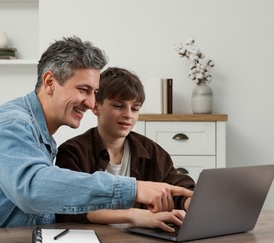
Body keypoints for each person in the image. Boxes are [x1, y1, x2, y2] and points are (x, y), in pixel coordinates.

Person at [0, 37, 192, 233]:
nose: (91, 103)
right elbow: (33, 187)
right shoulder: (11, 125)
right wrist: (133, 190)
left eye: (94, 93)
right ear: (49, 82)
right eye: (83, 90)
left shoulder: (41, 134)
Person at [55, 67, 195, 232]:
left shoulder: (150, 150)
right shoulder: (73, 151)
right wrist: (132, 214)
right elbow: (69, 209)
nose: (128, 115)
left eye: (135, 109)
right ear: (95, 106)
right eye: (118, 106)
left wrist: (191, 202)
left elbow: (177, 187)